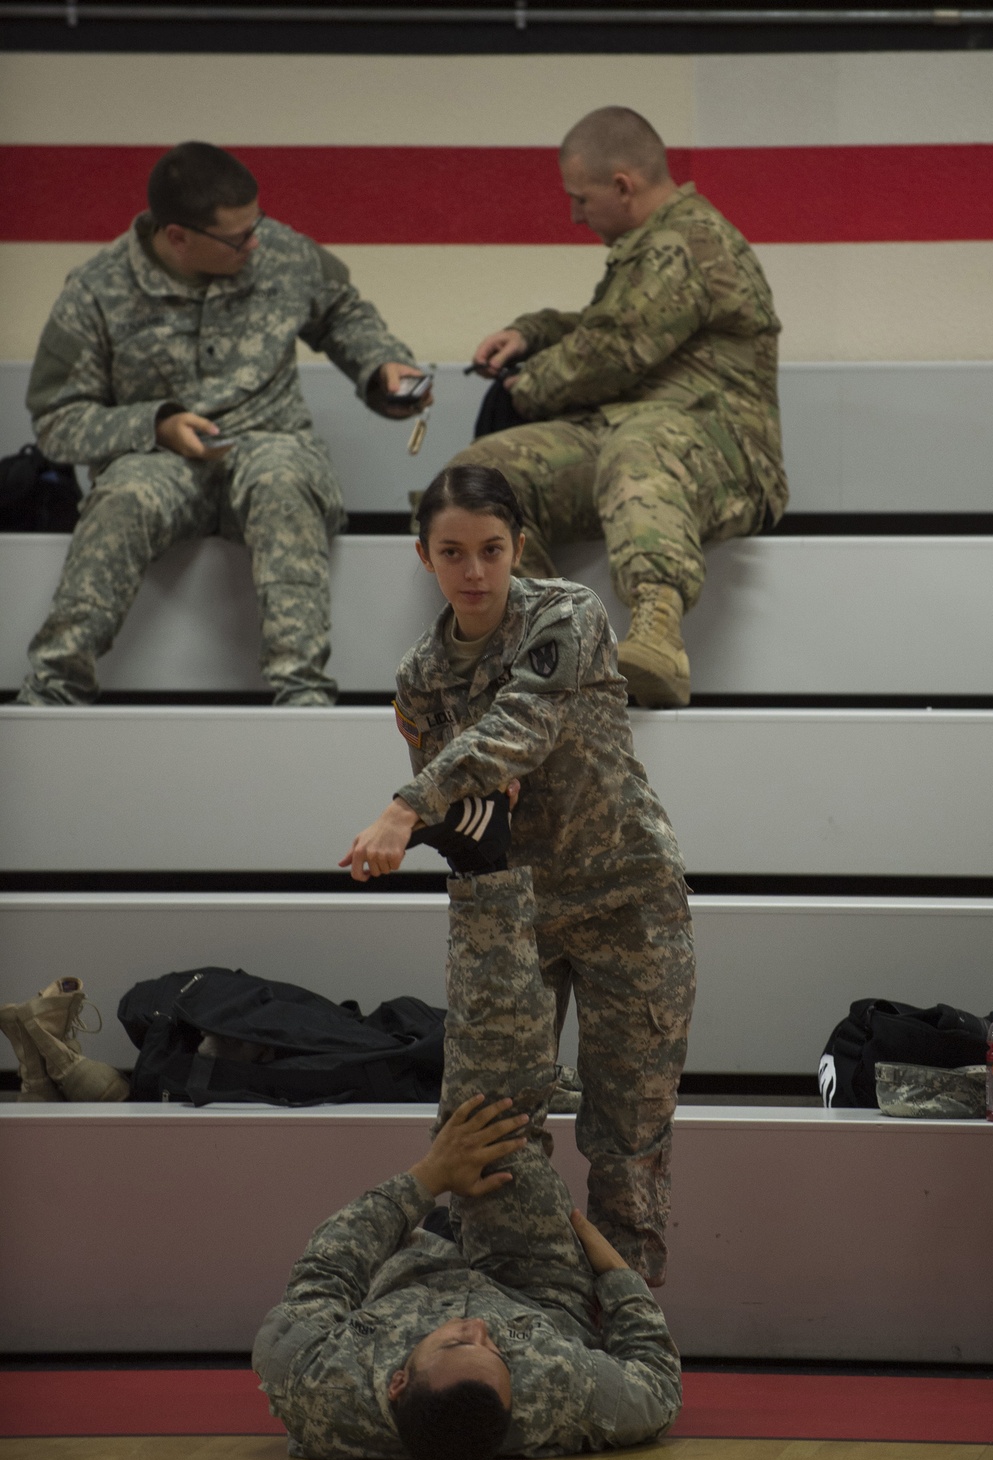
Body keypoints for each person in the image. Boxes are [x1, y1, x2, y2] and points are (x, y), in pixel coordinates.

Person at [340, 463, 696, 1288]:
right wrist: (440, 812)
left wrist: (404, 809)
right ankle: (509, 1317)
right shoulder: (421, 677)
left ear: (518, 548)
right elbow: (466, 811)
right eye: (453, 552)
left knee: (627, 1146)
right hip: (512, 918)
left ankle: (626, 1339)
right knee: (490, 1131)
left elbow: (520, 724)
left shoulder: (567, 613)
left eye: (492, 550)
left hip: (626, 905)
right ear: (422, 555)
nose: (474, 572)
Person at [253, 847, 682, 1460]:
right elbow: (658, 1388)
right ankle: (531, 888)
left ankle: (488, 868)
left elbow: (325, 1271)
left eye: (460, 1341)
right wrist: (614, 1272)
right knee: (512, 1124)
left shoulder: (318, 1384)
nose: (480, 1329)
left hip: (417, 1259)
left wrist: (429, 1178)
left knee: (476, 1115)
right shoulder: (548, 1397)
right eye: (497, 1351)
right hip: (532, 1280)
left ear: (398, 1380)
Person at [17, 140, 426, 707]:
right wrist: (155, 426)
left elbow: (343, 315)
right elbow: (58, 418)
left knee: (283, 478)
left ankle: (302, 694)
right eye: (237, 238)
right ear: (177, 236)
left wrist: (383, 366)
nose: (254, 241)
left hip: (270, 440)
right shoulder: (95, 290)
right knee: (124, 495)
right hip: (160, 459)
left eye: (255, 224)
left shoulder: (283, 254)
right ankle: (53, 690)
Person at [449, 105, 788, 708]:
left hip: (723, 451)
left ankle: (657, 636)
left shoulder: (684, 243)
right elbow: (607, 326)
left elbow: (611, 351)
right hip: (633, 431)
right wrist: (533, 332)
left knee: (641, 445)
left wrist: (522, 390)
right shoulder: (656, 245)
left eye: (581, 199)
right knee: (480, 481)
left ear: (623, 187)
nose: (575, 215)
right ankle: (543, 645)